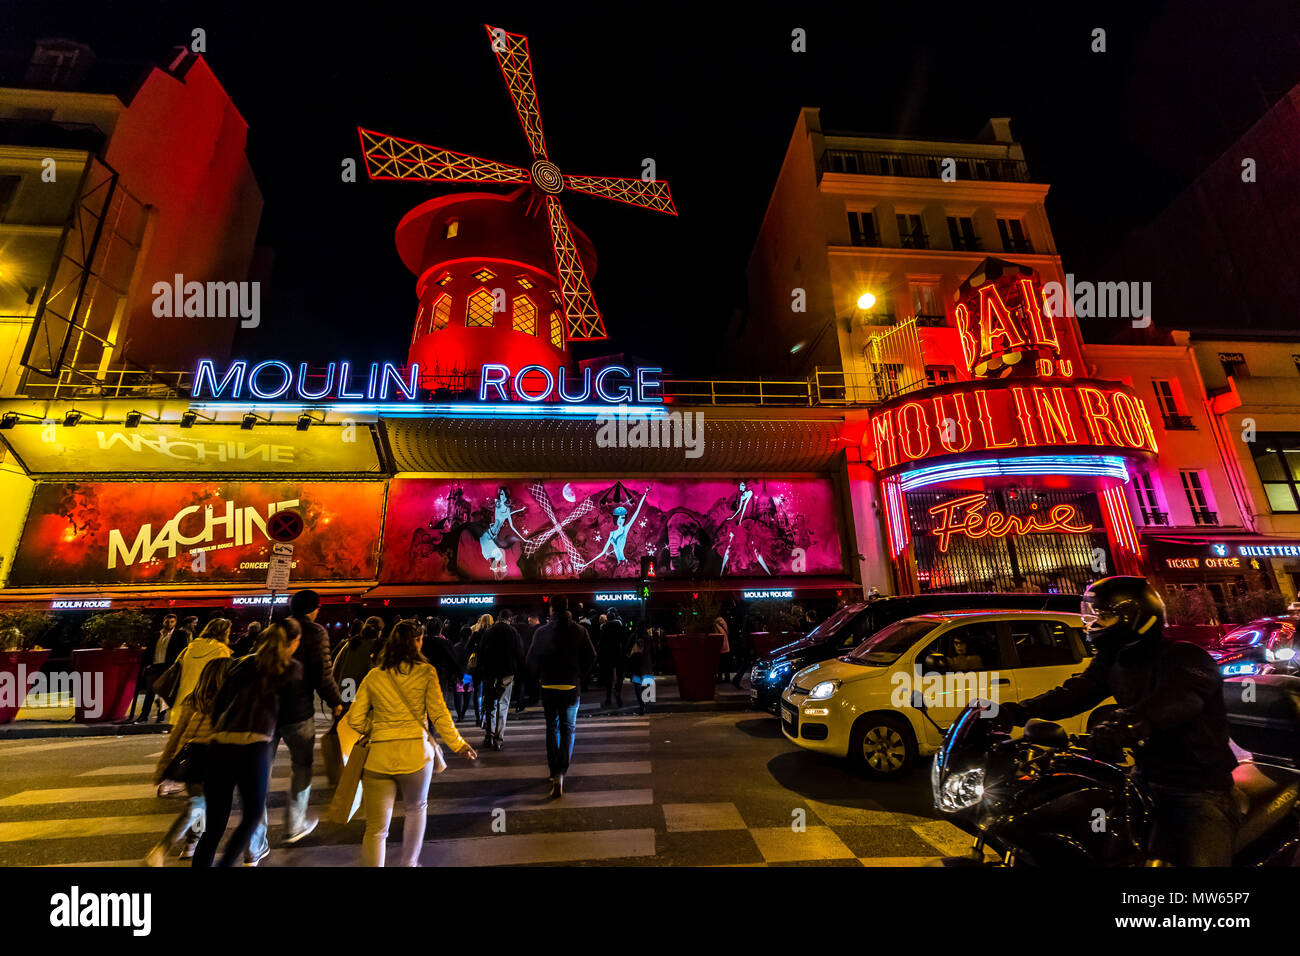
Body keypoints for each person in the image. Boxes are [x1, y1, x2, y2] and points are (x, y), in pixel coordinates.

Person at [997, 576, 1240, 866]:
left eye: (1105, 616)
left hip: (1197, 789)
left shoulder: (1186, 658)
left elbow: (1176, 701)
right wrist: (1012, 712)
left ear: (1135, 617)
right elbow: (1074, 694)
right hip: (1143, 779)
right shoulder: (1116, 660)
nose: (1095, 624)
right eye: (1094, 616)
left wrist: (1124, 722)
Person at [347, 620, 477, 866]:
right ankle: (409, 863)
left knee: (375, 828)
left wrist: (375, 729)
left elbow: (354, 718)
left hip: (378, 757)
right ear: (417, 642)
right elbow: (439, 714)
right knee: (416, 809)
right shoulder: (426, 672)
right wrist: (458, 744)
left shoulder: (374, 675)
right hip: (416, 755)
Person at [193, 620, 303, 867]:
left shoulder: (241, 664)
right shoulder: (290, 668)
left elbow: (218, 705)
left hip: (220, 746)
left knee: (214, 826)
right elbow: (289, 715)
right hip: (255, 747)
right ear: (293, 642)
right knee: (251, 816)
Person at [274, 589, 345, 844]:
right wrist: (336, 702)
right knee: (302, 766)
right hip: (298, 709)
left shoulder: (274, 627)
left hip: (267, 709)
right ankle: (294, 824)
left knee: (261, 768)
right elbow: (323, 674)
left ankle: (254, 835)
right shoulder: (315, 632)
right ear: (314, 609)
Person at [147, 657, 230, 865]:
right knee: (198, 805)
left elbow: (176, 735)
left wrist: (164, 765)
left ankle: (191, 843)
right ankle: (162, 848)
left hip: (192, 756)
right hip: (212, 756)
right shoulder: (227, 701)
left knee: (201, 804)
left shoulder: (193, 699)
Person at [527, 594, 596, 798]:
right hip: (571, 686)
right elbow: (592, 656)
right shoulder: (579, 630)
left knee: (552, 727)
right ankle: (561, 772)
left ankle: (553, 769)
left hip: (548, 685)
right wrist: (580, 675)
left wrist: (539, 676)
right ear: (568, 609)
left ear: (551, 610)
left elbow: (531, 659)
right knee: (568, 729)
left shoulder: (541, 632)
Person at [477, 609, 525, 750]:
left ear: (498, 618)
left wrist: (482, 672)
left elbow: (481, 653)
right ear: (509, 619)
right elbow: (520, 655)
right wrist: (519, 673)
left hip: (490, 674)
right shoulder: (513, 633)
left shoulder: (488, 632)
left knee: (490, 705)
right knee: (503, 706)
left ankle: (489, 736)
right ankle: (498, 739)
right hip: (507, 675)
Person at [135, 614, 191, 723]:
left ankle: (161, 715)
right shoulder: (156, 635)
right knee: (150, 692)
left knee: (163, 693)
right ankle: (144, 714)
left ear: (175, 623)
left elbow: (184, 650)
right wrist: (148, 664)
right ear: (163, 622)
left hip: (168, 667)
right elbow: (149, 650)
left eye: (172, 622)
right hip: (155, 666)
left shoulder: (179, 635)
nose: (169, 624)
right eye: (167, 621)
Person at [173, 617, 233, 707]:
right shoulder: (221, 650)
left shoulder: (192, 646)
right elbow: (220, 680)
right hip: (203, 704)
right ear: (225, 632)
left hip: (182, 701)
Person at [332, 615, 385, 713]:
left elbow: (336, 667)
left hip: (347, 690)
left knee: (345, 723)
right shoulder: (379, 648)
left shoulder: (351, 644)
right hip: (366, 696)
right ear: (379, 631)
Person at [598, 608, 631, 709]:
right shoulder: (619, 627)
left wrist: (600, 657)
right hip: (618, 653)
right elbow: (625, 640)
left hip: (608, 655)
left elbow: (601, 644)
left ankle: (608, 697)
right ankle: (617, 690)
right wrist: (625, 652)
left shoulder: (604, 628)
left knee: (608, 677)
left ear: (607, 619)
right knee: (620, 675)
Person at [626, 622, 655, 716]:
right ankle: (645, 703)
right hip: (647, 664)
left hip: (636, 664)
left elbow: (627, 648)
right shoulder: (648, 638)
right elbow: (654, 650)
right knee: (646, 685)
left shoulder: (634, 636)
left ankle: (641, 705)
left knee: (637, 685)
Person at [711, 613, 731, 684]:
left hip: (720, 646)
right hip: (726, 645)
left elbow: (716, 635)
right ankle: (727, 678)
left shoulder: (715, 624)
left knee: (719, 664)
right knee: (726, 664)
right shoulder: (723, 622)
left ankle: (720, 678)